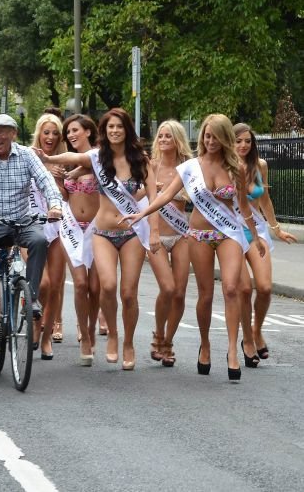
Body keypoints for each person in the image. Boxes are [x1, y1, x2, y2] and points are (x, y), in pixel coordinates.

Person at [122, 114, 266, 381]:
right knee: (206, 295)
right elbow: (164, 195)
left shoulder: (236, 168)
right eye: (206, 136)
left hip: (228, 234)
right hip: (198, 234)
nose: (210, 141)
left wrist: (255, 237)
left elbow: (244, 208)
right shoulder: (191, 167)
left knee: (232, 288)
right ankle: (205, 344)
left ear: (224, 137)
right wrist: (141, 215)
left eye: (215, 136)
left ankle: (233, 350)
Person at [36, 108, 159, 370]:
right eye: (110, 127)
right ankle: (112, 335)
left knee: (128, 293)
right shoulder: (97, 158)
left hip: (132, 232)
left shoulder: (141, 160)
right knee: (108, 286)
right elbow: (73, 155)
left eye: (119, 127)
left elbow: (154, 195)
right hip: (101, 232)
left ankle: (128, 343)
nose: (115, 131)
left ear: (127, 130)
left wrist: (155, 231)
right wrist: (48, 157)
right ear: (104, 131)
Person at [0, 114, 63, 357]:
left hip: (21, 220)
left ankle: (32, 298)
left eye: (3, 131)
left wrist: (55, 204)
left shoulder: (27, 155)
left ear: (13, 134)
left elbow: (46, 181)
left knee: (39, 240)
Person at [234, 123, 297, 365]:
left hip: (257, 231)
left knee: (265, 287)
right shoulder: (225, 166)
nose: (243, 145)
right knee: (243, 289)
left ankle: (256, 329)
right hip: (233, 231)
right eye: (238, 141)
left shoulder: (259, 165)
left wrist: (276, 228)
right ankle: (247, 340)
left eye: (247, 141)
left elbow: (265, 200)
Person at [146, 120, 193, 367]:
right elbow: (139, 195)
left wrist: (169, 192)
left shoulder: (187, 168)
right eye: (161, 136)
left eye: (169, 136)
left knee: (180, 292)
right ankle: (158, 333)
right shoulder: (150, 166)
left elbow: (193, 195)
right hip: (156, 236)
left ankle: (168, 343)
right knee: (168, 288)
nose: (164, 140)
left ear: (177, 140)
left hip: (181, 234)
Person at [60, 114, 101, 364]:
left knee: (96, 287)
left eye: (75, 130)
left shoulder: (99, 157)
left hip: (97, 229)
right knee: (81, 284)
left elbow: (91, 166)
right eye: (69, 132)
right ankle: (84, 336)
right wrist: (59, 178)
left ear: (88, 131)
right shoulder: (64, 163)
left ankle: (92, 327)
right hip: (72, 226)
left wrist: (75, 171)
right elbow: (64, 196)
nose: (71, 135)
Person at [30, 114, 67, 360]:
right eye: (46, 132)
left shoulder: (63, 159)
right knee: (40, 283)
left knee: (54, 285)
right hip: (31, 225)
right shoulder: (27, 155)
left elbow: (66, 196)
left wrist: (58, 177)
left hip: (57, 227)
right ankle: (35, 324)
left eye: (55, 133)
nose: (50, 137)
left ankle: (45, 338)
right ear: (39, 134)